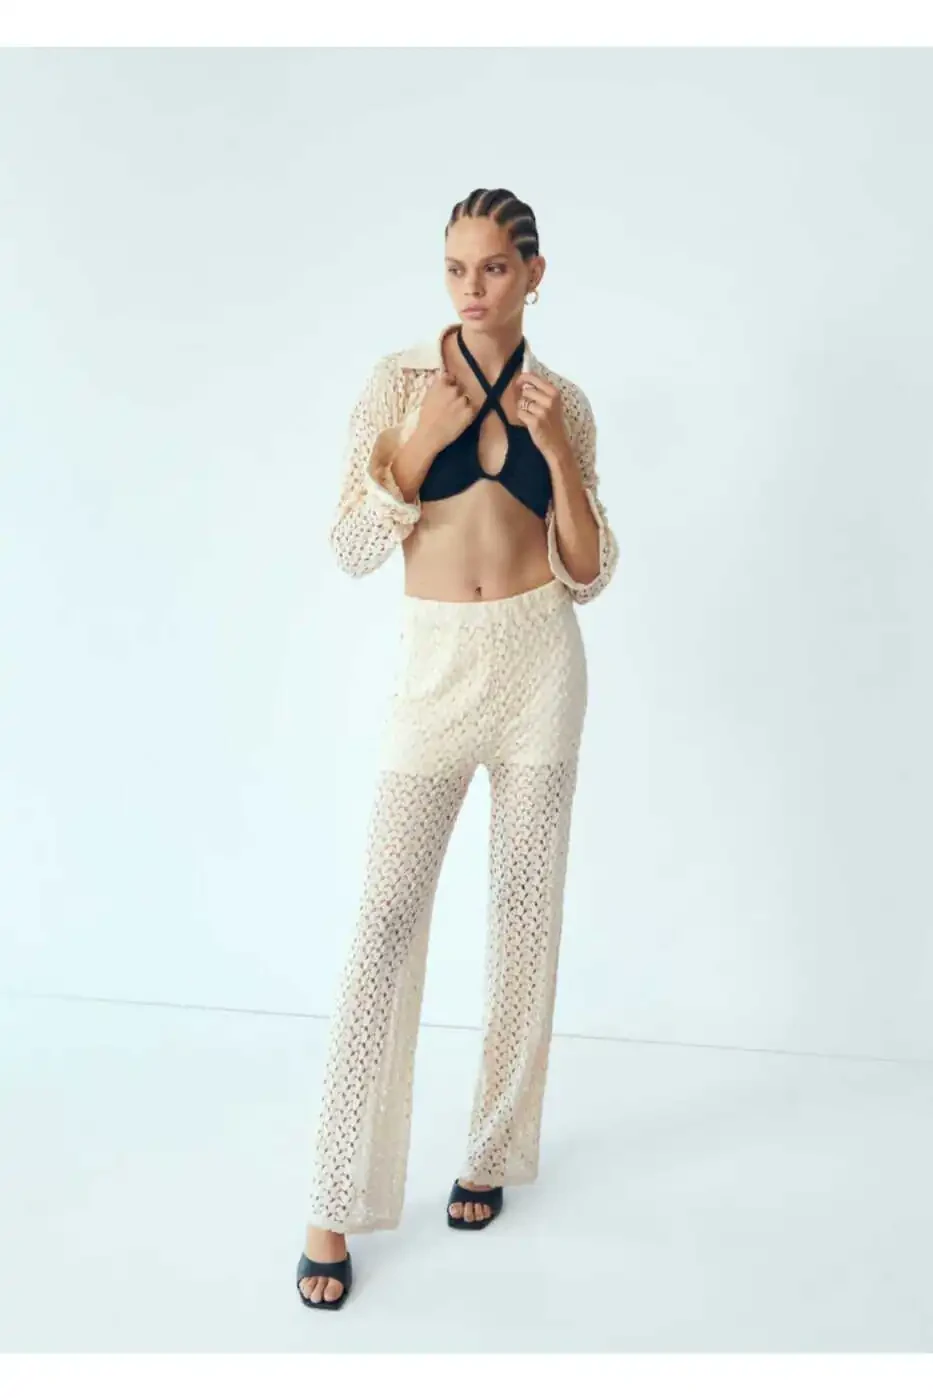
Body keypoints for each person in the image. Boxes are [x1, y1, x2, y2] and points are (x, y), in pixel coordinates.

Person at [296, 186, 620, 1309]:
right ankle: (334, 1197)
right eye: (454, 268)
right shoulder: (397, 386)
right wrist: (419, 445)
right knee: (383, 925)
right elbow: (349, 547)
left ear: (534, 274)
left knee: (524, 924)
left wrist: (555, 452)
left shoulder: (562, 401)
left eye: (492, 267)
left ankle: (490, 1151)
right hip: (434, 673)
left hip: (539, 665)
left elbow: (590, 569)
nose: (471, 288)